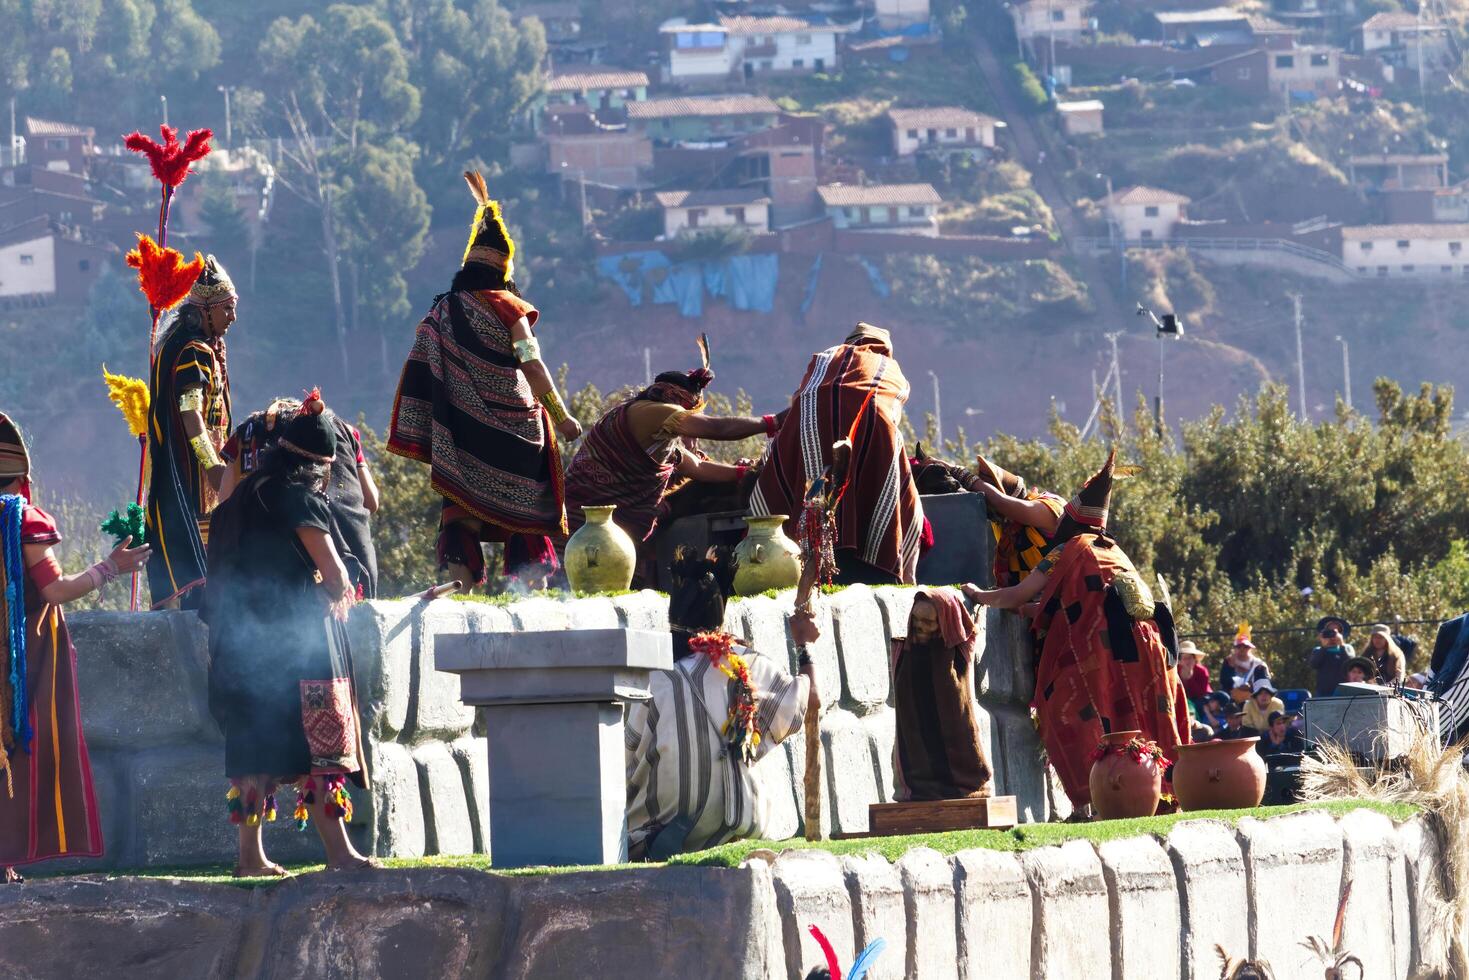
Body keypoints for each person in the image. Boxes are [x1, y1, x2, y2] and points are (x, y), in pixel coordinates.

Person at [202, 391, 372, 876]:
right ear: (318, 467)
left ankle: (249, 858)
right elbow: (335, 575)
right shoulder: (301, 499)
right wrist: (331, 595)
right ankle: (340, 855)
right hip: (298, 647)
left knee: (254, 746)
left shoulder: (239, 498)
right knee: (319, 751)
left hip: (239, 645)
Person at [963, 449, 1190, 810]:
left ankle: (1096, 799)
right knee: (1143, 717)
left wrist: (978, 595)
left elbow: (1018, 594)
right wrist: (1032, 610)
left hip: (1104, 654)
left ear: (1072, 521)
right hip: (1149, 651)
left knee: (1063, 712)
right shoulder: (1113, 550)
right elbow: (1088, 602)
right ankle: (1160, 797)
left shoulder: (1065, 550)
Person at [387, 172, 581, 591]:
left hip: (462, 434)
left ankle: (464, 599)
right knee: (526, 518)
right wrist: (562, 416)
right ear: (504, 270)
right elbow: (532, 364)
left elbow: (421, 361)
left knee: (462, 516)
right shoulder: (510, 307)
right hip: (517, 434)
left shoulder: (441, 311)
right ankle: (531, 598)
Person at [0, 414, 150, 882]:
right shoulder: (20, 519)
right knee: (14, 748)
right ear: (22, 477)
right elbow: (56, 590)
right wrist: (110, 567)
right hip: (20, 657)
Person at [625, 548, 816, 859]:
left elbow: (626, 755)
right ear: (721, 617)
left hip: (660, 836)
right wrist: (804, 645)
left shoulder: (653, 679)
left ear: (672, 617)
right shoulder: (749, 666)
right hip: (739, 831)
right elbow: (807, 701)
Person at [563, 345, 769, 584]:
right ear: (673, 404)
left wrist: (746, 472)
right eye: (687, 418)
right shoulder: (653, 413)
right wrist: (771, 422)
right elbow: (717, 428)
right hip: (582, 522)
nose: (691, 435)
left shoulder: (663, 442)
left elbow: (698, 468)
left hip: (616, 534)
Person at [749, 323, 924, 585]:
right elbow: (890, 413)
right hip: (872, 424)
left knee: (810, 492)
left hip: (809, 424)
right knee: (909, 502)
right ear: (886, 349)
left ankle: (802, 564)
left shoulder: (823, 359)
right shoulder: (891, 369)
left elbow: (800, 399)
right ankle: (898, 574)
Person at [145, 255, 237, 609]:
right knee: (201, 582)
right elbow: (190, 415)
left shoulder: (204, 347)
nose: (232, 317)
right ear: (206, 310)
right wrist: (214, 466)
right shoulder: (195, 351)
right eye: (226, 309)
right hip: (197, 479)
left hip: (204, 475)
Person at [221, 397, 381, 597]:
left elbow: (224, 502)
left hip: (240, 602)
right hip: (352, 575)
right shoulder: (346, 433)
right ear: (323, 466)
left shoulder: (251, 480)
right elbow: (371, 502)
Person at [891, 589, 993, 802]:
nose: (920, 626)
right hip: (916, 762)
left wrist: (976, 595)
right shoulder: (903, 652)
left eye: (929, 622)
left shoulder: (960, 652)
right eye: (916, 619)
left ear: (944, 622)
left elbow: (967, 628)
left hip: (957, 749)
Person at [1308, 616, 1354, 697]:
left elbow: (1351, 664)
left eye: (1336, 632)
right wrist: (1324, 648)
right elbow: (1313, 664)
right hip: (1323, 692)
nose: (1332, 635)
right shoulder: (1318, 650)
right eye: (1329, 631)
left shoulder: (1347, 648)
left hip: (1344, 691)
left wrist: (1342, 645)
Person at [1218, 625, 1269, 694]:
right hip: (1232, 696)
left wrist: (1250, 687)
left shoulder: (1258, 664)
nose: (1242, 649)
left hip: (1253, 696)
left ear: (1250, 648)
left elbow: (1264, 683)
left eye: (1245, 646)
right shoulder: (1229, 661)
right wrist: (1231, 668)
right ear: (1235, 648)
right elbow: (1224, 682)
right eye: (1239, 646)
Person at [1177, 640, 1213, 705]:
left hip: (1201, 698)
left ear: (1194, 659)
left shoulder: (1202, 671)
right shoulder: (1175, 670)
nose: (1187, 661)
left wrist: (1190, 678)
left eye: (1190, 658)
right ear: (1180, 660)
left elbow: (1201, 693)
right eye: (1185, 658)